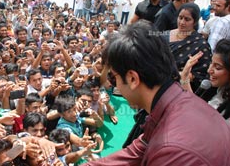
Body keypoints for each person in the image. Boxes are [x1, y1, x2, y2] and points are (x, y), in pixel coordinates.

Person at [82, 20, 230, 166]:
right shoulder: (175, 103)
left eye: (113, 78)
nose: (117, 86)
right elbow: (136, 152)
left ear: (133, 78)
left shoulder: (172, 150)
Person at [163, 3, 211, 91]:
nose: (182, 22)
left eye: (187, 19)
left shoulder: (201, 45)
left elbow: (200, 74)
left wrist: (176, 75)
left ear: (195, 21)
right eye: (180, 17)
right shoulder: (165, 35)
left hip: (177, 89)